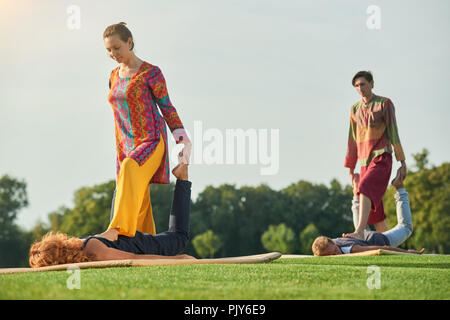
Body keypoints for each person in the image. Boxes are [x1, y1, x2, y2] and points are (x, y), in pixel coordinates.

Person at [98, 22, 192, 241]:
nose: (113, 54)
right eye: (108, 50)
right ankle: (145, 240)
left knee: (131, 168)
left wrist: (184, 144)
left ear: (130, 42)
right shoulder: (113, 76)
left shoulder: (151, 73)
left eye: (117, 48)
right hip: (125, 145)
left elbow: (167, 108)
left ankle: (117, 229)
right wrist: (121, 149)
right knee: (137, 195)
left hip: (151, 141)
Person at [29, 164, 195, 268]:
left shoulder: (94, 252)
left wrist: (178, 258)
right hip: (124, 237)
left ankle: (182, 178)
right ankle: (123, 179)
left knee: (179, 237)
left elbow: (135, 258)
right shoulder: (79, 243)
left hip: (142, 245)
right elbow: (110, 234)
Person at [343, 71, 407, 240]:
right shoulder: (354, 109)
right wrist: (350, 168)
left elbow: (394, 132)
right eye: (356, 86)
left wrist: (402, 161)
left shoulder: (385, 104)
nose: (360, 88)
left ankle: (359, 232)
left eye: (363, 84)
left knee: (364, 188)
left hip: (381, 157)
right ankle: (387, 245)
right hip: (364, 163)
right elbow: (352, 139)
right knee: (376, 213)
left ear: (372, 84)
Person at [311, 168, 425, 256]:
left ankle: (400, 188)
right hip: (361, 237)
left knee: (406, 227)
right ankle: (356, 194)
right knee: (360, 228)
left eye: (335, 250)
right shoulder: (328, 244)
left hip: (377, 240)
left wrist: (407, 252)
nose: (337, 254)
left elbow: (383, 249)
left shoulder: (352, 249)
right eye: (332, 254)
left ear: (334, 244)